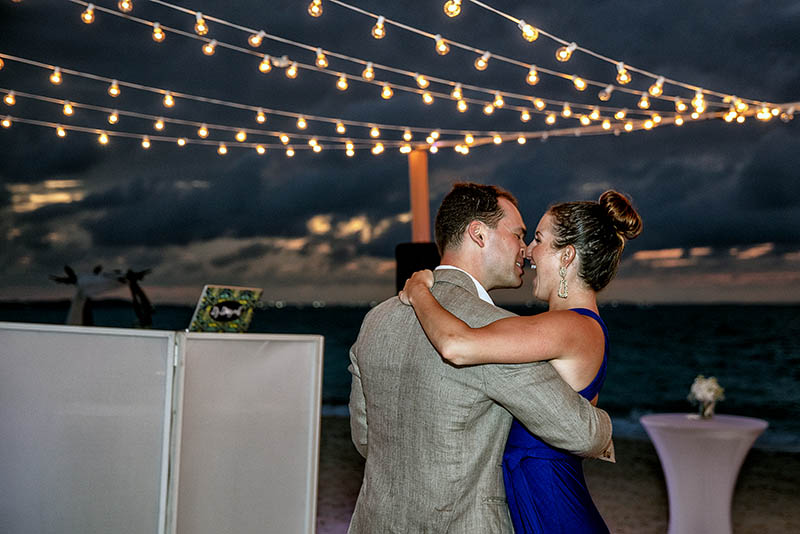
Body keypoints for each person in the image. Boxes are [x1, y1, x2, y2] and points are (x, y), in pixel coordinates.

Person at [347, 183, 614, 534]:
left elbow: (365, 437)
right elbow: (580, 433)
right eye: (519, 235)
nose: (525, 249)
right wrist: (607, 426)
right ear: (478, 234)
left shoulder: (377, 319)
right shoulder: (497, 328)